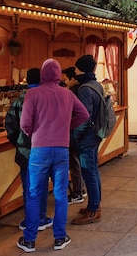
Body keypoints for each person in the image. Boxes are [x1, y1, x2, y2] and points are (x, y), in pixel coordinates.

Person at [18, 59, 89, 252]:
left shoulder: (33, 93)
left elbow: (24, 123)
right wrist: (67, 127)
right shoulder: (67, 94)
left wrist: (33, 132)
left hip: (39, 150)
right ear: (58, 75)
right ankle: (59, 237)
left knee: (34, 194)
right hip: (61, 150)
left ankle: (30, 240)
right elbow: (84, 115)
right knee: (60, 195)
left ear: (42, 74)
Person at [4, 68, 53, 233]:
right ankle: (42, 218)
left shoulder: (19, 101)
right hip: (46, 149)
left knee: (30, 187)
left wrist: (19, 143)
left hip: (26, 151)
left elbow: (10, 126)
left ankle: (31, 220)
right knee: (43, 185)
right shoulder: (49, 99)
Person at [70, 54, 104, 225]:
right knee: (94, 171)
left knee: (89, 173)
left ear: (81, 69)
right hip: (95, 134)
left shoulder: (84, 89)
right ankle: (95, 206)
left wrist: (74, 136)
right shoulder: (96, 85)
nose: (74, 71)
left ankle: (93, 210)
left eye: (76, 68)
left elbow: (84, 117)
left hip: (87, 138)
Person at [61, 67, 86, 205]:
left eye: (65, 80)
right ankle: (81, 189)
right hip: (80, 133)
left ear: (72, 79)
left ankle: (77, 193)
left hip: (72, 133)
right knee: (77, 162)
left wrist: (69, 125)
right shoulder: (81, 90)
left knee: (74, 162)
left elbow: (80, 114)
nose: (64, 83)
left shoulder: (72, 93)